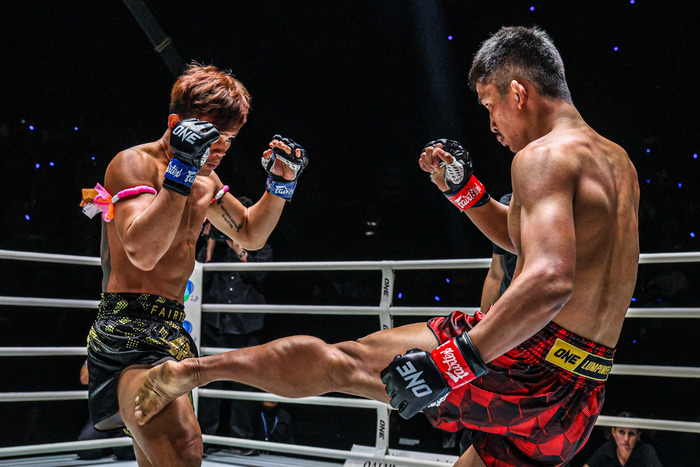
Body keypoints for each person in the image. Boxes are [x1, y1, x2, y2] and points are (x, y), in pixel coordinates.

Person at [134, 26, 640, 467]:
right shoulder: (616, 161)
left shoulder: (542, 157)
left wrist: (455, 362)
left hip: (524, 365)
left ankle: (192, 372)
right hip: (579, 392)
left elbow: (550, 278)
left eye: (490, 106)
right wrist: (465, 192)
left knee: (343, 361)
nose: (491, 125)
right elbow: (522, 240)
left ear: (518, 92)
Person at [83, 62, 308, 466]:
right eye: (211, 138)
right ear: (176, 124)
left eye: (229, 140)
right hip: (128, 331)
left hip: (172, 328)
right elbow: (143, 253)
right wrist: (182, 171)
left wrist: (280, 184)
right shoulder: (134, 164)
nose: (220, 150)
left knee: (161, 456)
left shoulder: (206, 180)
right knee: (184, 447)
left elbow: (249, 234)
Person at [196, 206, 274, 448]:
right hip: (215, 324)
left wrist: (239, 249)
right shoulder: (214, 247)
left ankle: (242, 440)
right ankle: (206, 439)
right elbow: (196, 276)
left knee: (244, 384)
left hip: (246, 326)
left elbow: (261, 276)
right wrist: (210, 243)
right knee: (210, 383)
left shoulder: (261, 246)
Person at [76, 359, 136, 461]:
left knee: (125, 451)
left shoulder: (130, 353)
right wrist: (93, 358)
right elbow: (84, 379)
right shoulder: (99, 354)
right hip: (103, 414)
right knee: (85, 449)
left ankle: (116, 446)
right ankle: (110, 448)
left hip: (124, 413)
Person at [479, 193, 516, 313]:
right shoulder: (507, 203)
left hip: (551, 308)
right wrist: (483, 320)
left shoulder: (560, 205)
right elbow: (496, 273)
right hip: (511, 305)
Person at [583, 412, 663, 467]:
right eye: (622, 432)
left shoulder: (646, 451)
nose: (626, 439)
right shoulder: (606, 449)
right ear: (613, 432)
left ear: (638, 435)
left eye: (631, 434)